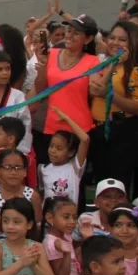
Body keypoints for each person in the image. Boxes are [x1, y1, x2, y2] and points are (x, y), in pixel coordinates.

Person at [34, 12, 100, 193]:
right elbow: (40, 89)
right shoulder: (52, 54)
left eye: (76, 33)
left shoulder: (92, 61)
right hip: (52, 126)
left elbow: (95, 89)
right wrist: (42, 65)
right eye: (68, 30)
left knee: (74, 184)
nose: (69, 35)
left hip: (78, 130)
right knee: (50, 183)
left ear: (88, 39)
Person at [88, 21, 138, 198]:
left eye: (122, 39)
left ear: (132, 43)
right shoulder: (101, 64)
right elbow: (96, 89)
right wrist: (113, 64)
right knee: (101, 183)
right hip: (98, 130)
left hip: (125, 130)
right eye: (112, 38)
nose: (115, 43)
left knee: (119, 184)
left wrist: (111, 95)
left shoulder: (137, 70)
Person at [0, 149, 42, 239]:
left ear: (25, 171)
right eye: (7, 167)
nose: (13, 173)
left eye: (18, 168)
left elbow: (37, 229)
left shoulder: (32, 195)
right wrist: (7, 210)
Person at [41, 107, 90, 207]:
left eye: (59, 148)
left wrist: (67, 119)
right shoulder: (43, 168)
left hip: (68, 216)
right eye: (51, 146)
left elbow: (85, 139)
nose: (53, 150)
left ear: (71, 153)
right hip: (48, 217)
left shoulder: (75, 168)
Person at [42, 196, 79, 275]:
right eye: (66, 217)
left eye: (74, 217)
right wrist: (66, 253)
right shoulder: (51, 243)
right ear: (50, 218)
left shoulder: (66, 236)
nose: (72, 222)